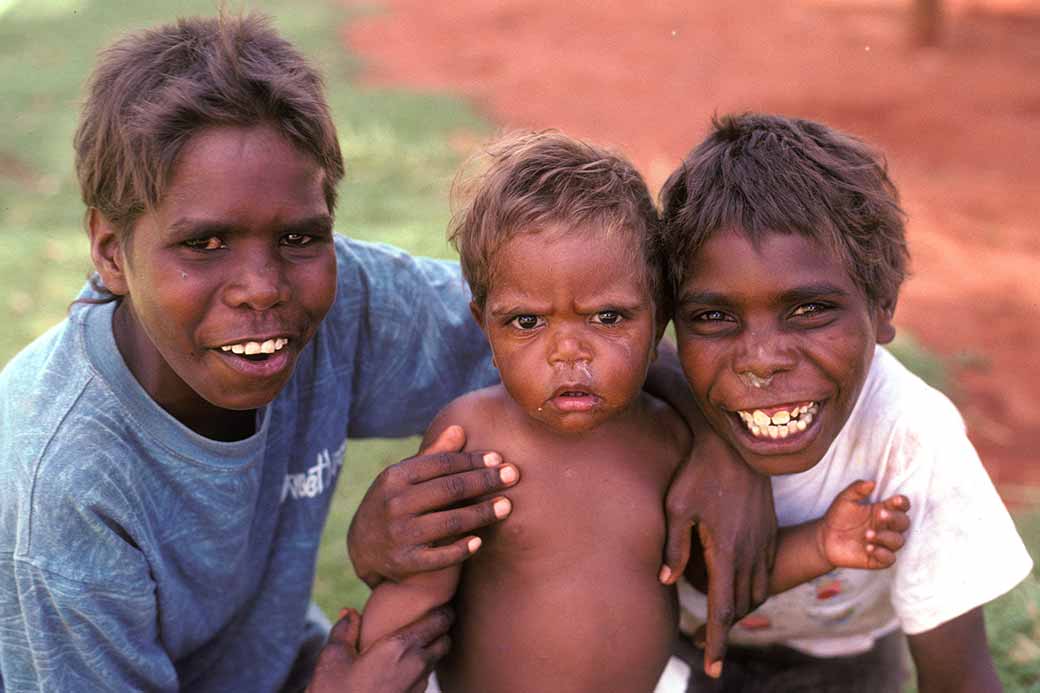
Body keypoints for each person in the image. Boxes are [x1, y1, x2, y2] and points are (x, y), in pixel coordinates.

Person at [0, 14, 774, 692]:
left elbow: (575, 331)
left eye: (299, 236)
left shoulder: (341, 304)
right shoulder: (64, 486)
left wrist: (719, 443)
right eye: (204, 243)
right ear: (110, 250)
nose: (262, 286)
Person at [355, 131, 913, 693]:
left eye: (607, 317)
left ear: (659, 319)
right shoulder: (471, 436)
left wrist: (820, 545)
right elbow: (418, 586)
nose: (568, 352)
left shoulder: (668, 440)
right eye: (527, 322)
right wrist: (373, 671)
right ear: (485, 326)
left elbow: (709, 571)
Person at [660, 112, 1034, 692]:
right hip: (667, 649)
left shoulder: (912, 438)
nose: (762, 360)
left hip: (843, 662)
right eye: (713, 316)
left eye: (809, 310)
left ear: (882, 308)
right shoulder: (643, 418)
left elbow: (959, 679)